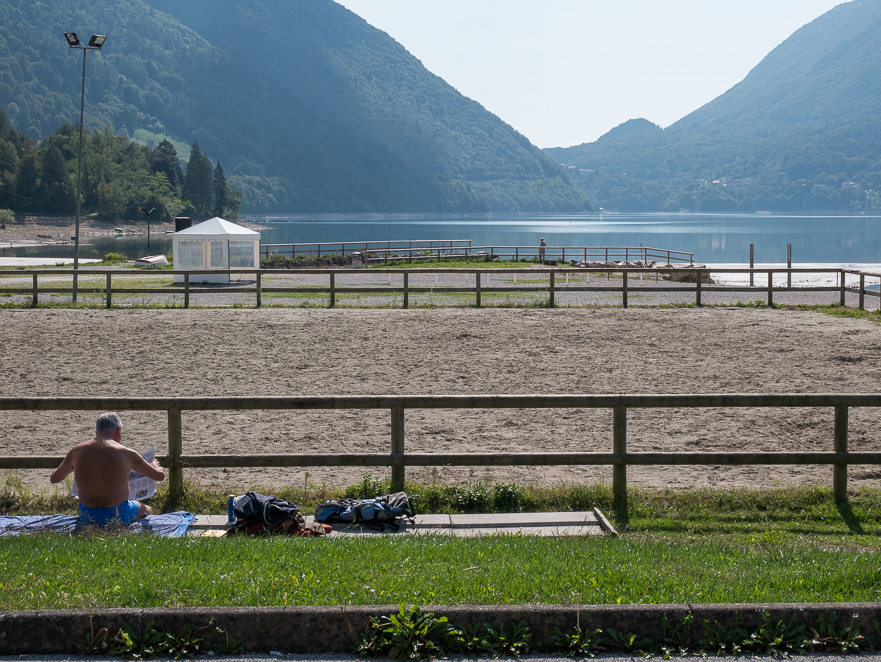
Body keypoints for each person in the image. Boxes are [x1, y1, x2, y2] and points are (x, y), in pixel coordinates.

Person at [50, 412, 165, 526]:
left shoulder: (77, 451)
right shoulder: (126, 453)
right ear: (118, 430)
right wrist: (155, 466)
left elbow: (55, 478)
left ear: (96, 431)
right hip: (118, 515)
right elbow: (159, 476)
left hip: (87, 516)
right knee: (147, 509)